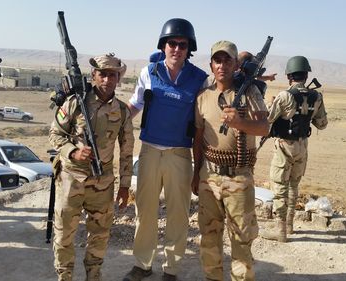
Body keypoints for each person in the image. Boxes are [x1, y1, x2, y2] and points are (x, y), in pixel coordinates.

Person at [123, 18, 208, 281]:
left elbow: (202, 124)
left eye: (183, 45)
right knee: (145, 211)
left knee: (178, 215)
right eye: (172, 43)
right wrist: (110, 120)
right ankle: (142, 264)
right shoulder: (150, 71)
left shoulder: (199, 79)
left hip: (179, 156)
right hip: (149, 151)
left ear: (189, 49)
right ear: (163, 45)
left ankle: (171, 269)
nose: (177, 49)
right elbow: (134, 105)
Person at [49, 53, 134, 281]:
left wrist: (124, 187)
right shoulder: (76, 103)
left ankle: (93, 276)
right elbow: (55, 134)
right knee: (64, 235)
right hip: (72, 179)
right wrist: (73, 151)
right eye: (103, 74)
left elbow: (127, 152)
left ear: (118, 79)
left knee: (99, 236)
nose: (107, 80)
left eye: (112, 75)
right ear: (94, 76)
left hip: (103, 182)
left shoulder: (123, 111)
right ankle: (65, 277)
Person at [192, 41, 269, 281]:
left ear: (236, 65)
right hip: (208, 177)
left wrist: (240, 123)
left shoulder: (249, 93)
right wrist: (196, 174)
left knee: (241, 240)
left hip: (239, 177)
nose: (222, 65)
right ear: (211, 65)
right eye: (218, 60)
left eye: (227, 60)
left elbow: (264, 128)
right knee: (209, 237)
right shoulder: (203, 97)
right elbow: (198, 138)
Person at [261, 56, 328, 242]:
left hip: (284, 146)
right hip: (302, 146)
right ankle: (290, 226)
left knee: (280, 187)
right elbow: (322, 124)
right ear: (306, 75)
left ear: (289, 75)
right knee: (293, 185)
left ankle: (280, 231)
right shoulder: (316, 96)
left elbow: (268, 119)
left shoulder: (285, 96)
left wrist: (270, 104)